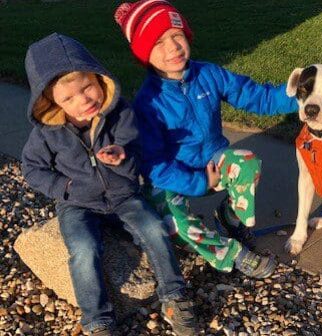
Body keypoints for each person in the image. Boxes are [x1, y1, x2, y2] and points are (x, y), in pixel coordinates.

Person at [21, 33, 198, 336]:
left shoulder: (121, 113)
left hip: (123, 196)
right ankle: (97, 319)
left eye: (87, 87)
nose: (84, 100)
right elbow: (32, 168)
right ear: (51, 102)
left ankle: (174, 296)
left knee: (154, 230)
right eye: (68, 98)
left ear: (98, 78)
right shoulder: (48, 132)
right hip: (77, 203)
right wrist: (64, 186)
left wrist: (122, 157)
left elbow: (137, 153)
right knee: (84, 249)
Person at [114, 0, 298, 279]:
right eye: (158, 43)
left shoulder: (208, 74)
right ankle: (231, 253)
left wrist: (298, 94)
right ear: (143, 54)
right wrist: (199, 183)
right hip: (171, 177)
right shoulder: (148, 103)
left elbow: (255, 96)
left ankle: (230, 217)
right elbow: (153, 165)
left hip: (212, 159)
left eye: (177, 36)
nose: (173, 48)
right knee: (174, 226)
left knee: (246, 163)